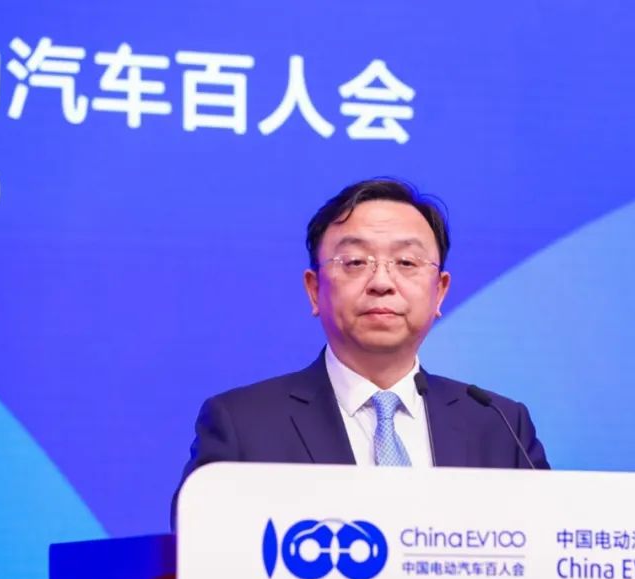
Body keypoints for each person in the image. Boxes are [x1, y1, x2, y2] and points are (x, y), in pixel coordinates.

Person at [172, 179, 548, 527]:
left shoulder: (499, 425)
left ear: (440, 292)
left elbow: (550, 549)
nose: (382, 282)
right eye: (355, 262)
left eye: (406, 263)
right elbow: (201, 551)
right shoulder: (244, 424)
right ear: (314, 290)